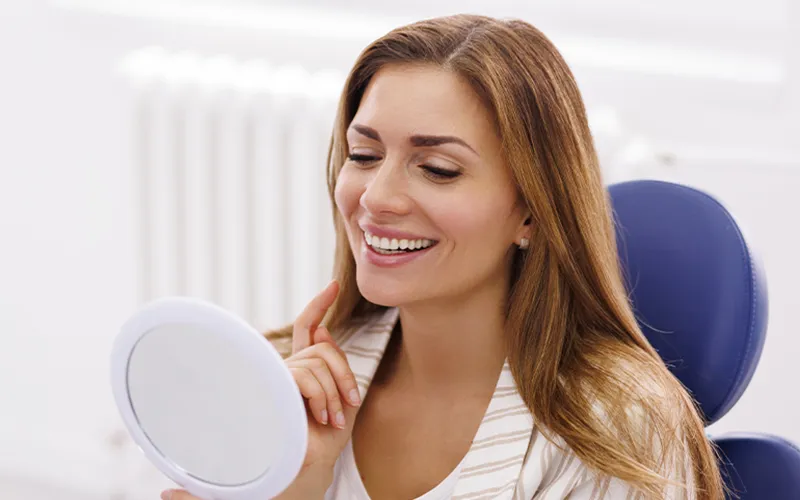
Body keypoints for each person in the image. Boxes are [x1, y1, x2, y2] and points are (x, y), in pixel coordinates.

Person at [162, 13, 724, 500]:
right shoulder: (287, 386)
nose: (376, 198)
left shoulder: (618, 431)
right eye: (364, 154)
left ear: (531, 211)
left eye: (438, 169)